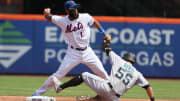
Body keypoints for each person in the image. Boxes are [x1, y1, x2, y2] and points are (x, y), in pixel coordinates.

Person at [32, 0, 111, 96]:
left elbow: (94, 22)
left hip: (87, 51)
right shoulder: (62, 21)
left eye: (76, 8)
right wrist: (46, 13)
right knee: (58, 75)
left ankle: (112, 94)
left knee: (103, 74)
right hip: (73, 53)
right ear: (67, 11)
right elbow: (49, 18)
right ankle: (37, 94)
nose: (75, 10)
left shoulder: (85, 17)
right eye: (72, 9)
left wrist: (104, 33)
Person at [52, 39, 155, 101]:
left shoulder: (119, 60)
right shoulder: (138, 74)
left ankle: (60, 87)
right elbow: (148, 86)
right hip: (115, 98)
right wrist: (152, 100)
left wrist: (106, 41)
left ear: (125, 58)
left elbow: (105, 48)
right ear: (133, 62)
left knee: (84, 75)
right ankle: (92, 99)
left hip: (107, 89)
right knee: (103, 93)